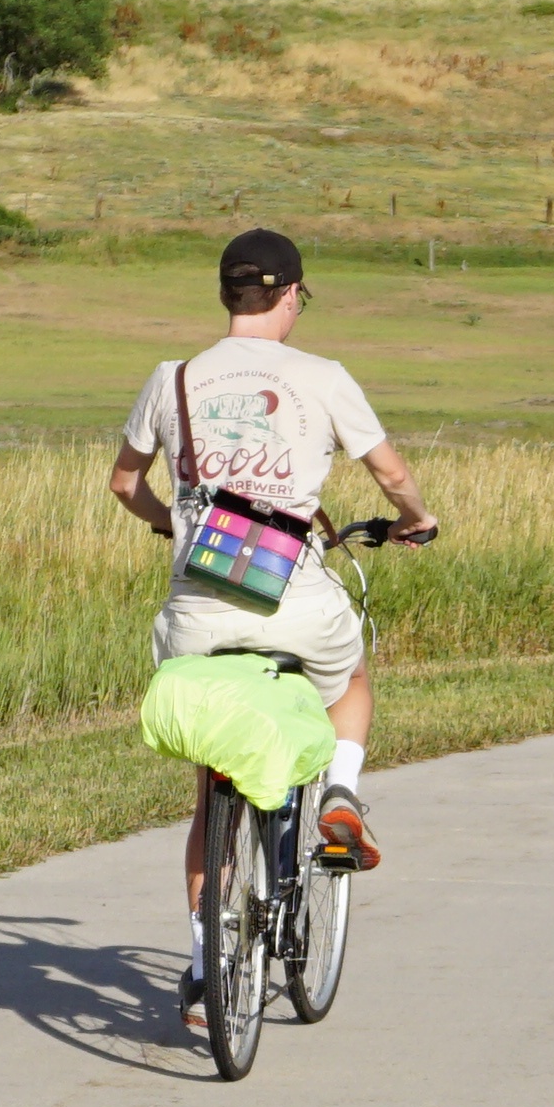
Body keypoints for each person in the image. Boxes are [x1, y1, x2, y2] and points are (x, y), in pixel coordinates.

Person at [109, 229, 436, 992]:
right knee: (349, 678)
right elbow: (388, 470)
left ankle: (203, 969)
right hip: (294, 601)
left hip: (197, 614)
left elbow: (124, 486)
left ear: (228, 296)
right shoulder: (322, 377)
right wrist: (415, 514)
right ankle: (343, 794)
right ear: (291, 294)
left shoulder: (175, 379)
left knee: (209, 785)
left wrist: (176, 526)